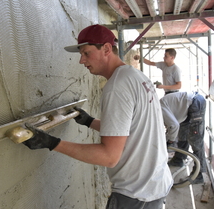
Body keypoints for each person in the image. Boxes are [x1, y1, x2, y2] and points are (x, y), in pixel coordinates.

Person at [23, 24, 173, 209]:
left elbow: (109, 157)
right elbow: (130, 128)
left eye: (86, 53)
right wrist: (89, 122)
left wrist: (52, 143)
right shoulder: (136, 77)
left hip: (136, 194)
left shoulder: (117, 87)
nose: (81, 61)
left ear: (107, 49)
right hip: (155, 184)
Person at [160, 91, 207, 184]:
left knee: (196, 140)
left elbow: (173, 126)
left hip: (195, 104)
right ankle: (179, 159)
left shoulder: (159, 108)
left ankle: (198, 175)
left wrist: (170, 141)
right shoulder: (159, 106)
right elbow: (173, 125)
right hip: (187, 109)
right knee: (182, 134)